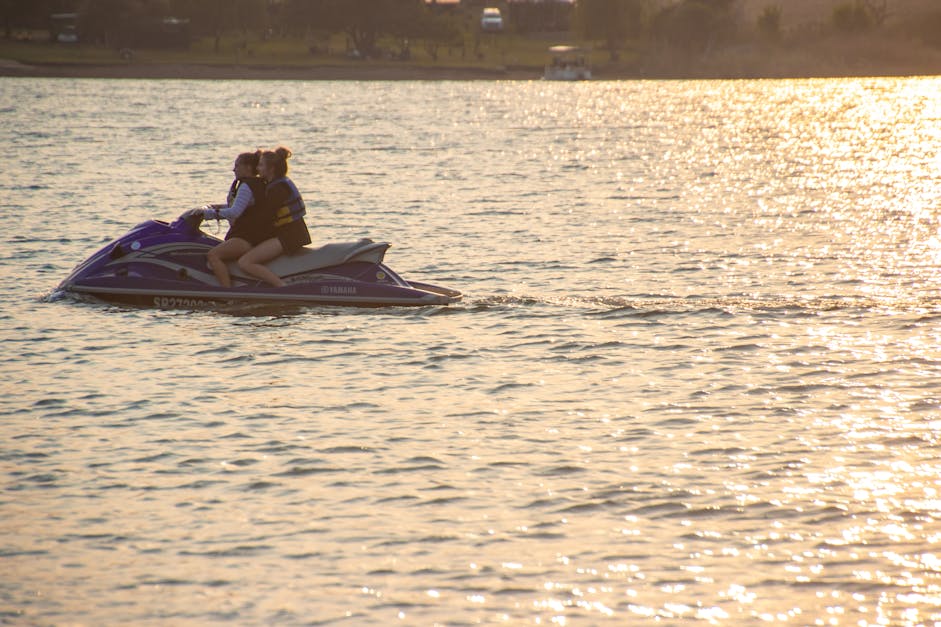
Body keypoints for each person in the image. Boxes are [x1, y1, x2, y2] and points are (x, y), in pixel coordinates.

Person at [237, 147, 311, 287]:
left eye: (261, 165)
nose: (257, 169)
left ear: (271, 169)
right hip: (288, 233)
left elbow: (265, 217)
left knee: (246, 262)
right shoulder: (276, 184)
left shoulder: (278, 189)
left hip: (290, 236)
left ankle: (282, 288)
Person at [195, 151, 271, 287]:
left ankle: (227, 292)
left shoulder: (246, 186)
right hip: (256, 235)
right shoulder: (258, 183)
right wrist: (216, 207)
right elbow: (243, 207)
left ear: (248, 167)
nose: (234, 169)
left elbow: (235, 212)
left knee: (213, 255)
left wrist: (211, 214)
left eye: (237, 165)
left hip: (246, 238)